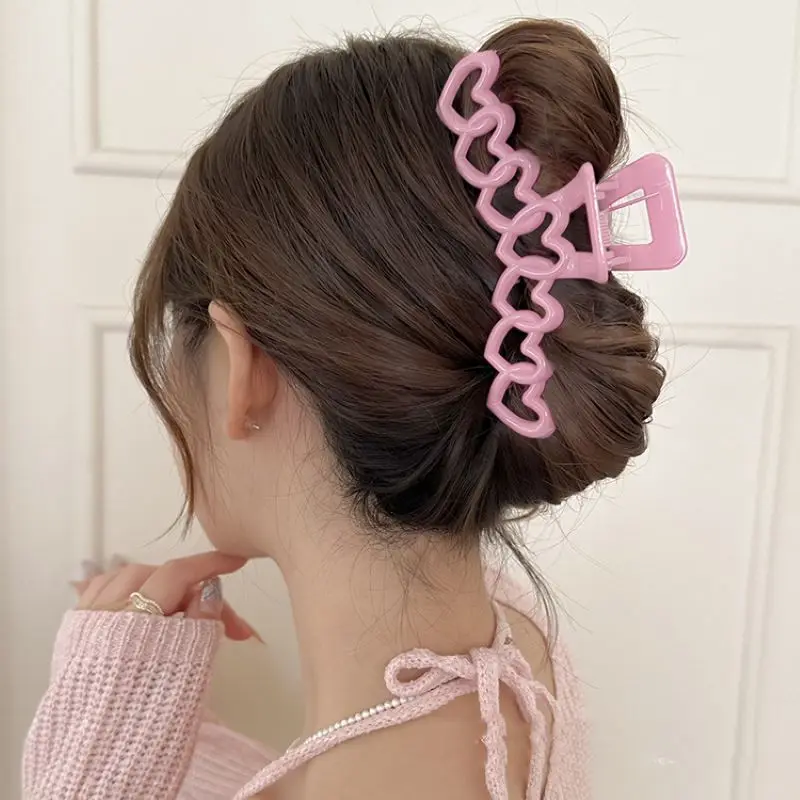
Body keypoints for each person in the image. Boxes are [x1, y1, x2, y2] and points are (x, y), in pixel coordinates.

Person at [22, 16, 686, 800]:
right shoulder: (520, 646)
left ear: (242, 368)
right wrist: (141, 710)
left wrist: (89, 760)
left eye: (175, 335)